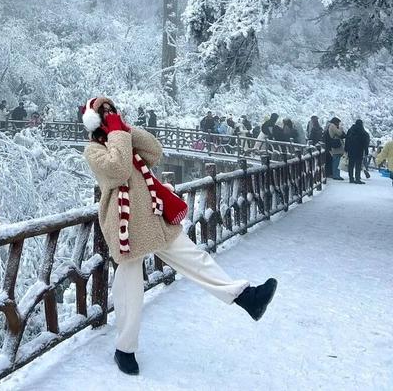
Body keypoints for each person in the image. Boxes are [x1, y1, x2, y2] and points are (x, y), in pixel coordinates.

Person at [82, 95, 277, 377]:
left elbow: (155, 151)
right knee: (129, 290)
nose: (110, 115)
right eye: (105, 113)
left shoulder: (123, 138)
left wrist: (125, 128)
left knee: (195, 258)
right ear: (95, 120)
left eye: (113, 110)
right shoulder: (93, 151)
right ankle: (125, 349)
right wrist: (116, 134)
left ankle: (247, 297)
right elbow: (119, 169)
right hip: (125, 225)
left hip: (153, 218)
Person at [344, 119, 370, 184]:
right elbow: (366, 142)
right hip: (359, 150)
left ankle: (351, 178)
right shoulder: (363, 132)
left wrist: (346, 148)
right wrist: (366, 151)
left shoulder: (350, 130)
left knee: (351, 164)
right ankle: (357, 178)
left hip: (351, 150)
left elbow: (347, 140)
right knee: (358, 165)